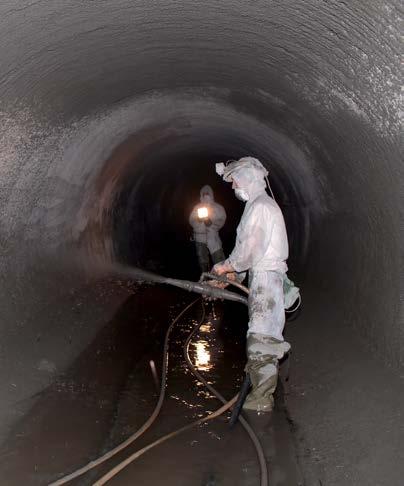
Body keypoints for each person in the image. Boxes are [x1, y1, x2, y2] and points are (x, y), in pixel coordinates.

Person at [212, 157, 295, 412]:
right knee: (260, 337)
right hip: (263, 278)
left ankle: (260, 405)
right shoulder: (256, 205)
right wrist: (237, 277)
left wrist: (226, 267)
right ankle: (260, 395)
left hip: (268, 283)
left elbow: (250, 250)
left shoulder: (260, 206)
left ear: (248, 177)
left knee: (262, 341)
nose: (233, 184)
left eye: (235, 178)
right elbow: (257, 253)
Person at [189, 185, 227, 274]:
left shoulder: (218, 208)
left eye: (208, 193)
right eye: (204, 193)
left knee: (218, 259)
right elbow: (191, 221)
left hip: (213, 237)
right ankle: (205, 277)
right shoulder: (197, 207)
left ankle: (222, 278)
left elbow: (222, 220)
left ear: (211, 194)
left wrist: (212, 225)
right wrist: (198, 221)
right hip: (199, 237)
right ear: (201, 195)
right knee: (203, 261)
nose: (206, 195)